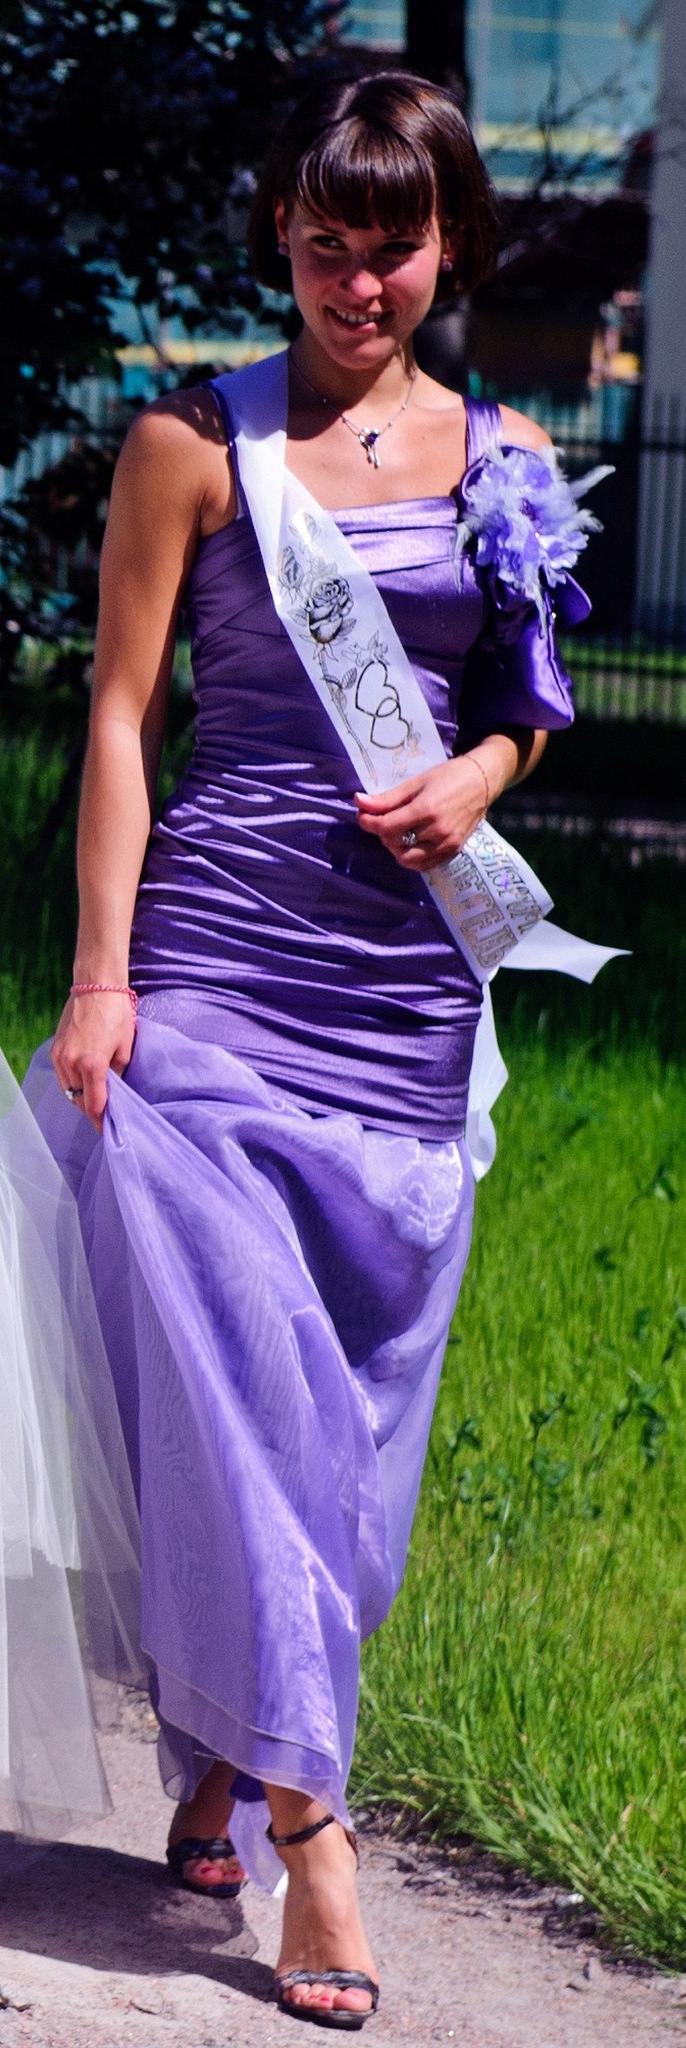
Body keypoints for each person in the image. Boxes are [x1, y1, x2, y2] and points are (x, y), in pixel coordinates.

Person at [28, 70, 594, 2030]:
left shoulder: (504, 456)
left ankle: (214, 1758)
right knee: (233, 1376)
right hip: (212, 972)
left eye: (395, 245)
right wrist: (100, 978)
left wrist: (483, 771)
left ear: (451, 246)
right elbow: (121, 714)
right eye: (327, 241)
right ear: (281, 233)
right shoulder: (193, 445)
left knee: (347, 1433)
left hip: (406, 1001)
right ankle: (311, 1831)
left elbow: (531, 694)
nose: (360, 281)